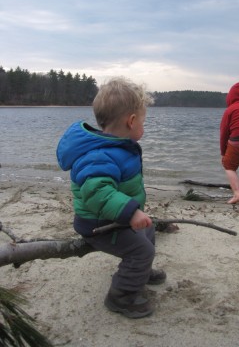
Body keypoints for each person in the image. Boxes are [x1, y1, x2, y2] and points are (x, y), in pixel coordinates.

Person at [56, 77, 166, 319]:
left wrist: (133, 213)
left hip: (113, 218)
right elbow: (97, 193)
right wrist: (131, 211)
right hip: (98, 224)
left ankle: (139, 272)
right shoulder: (100, 154)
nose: (143, 126)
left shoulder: (115, 147)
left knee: (148, 231)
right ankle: (121, 297)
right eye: (143, 121)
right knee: (141, 251)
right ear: (132, 120)